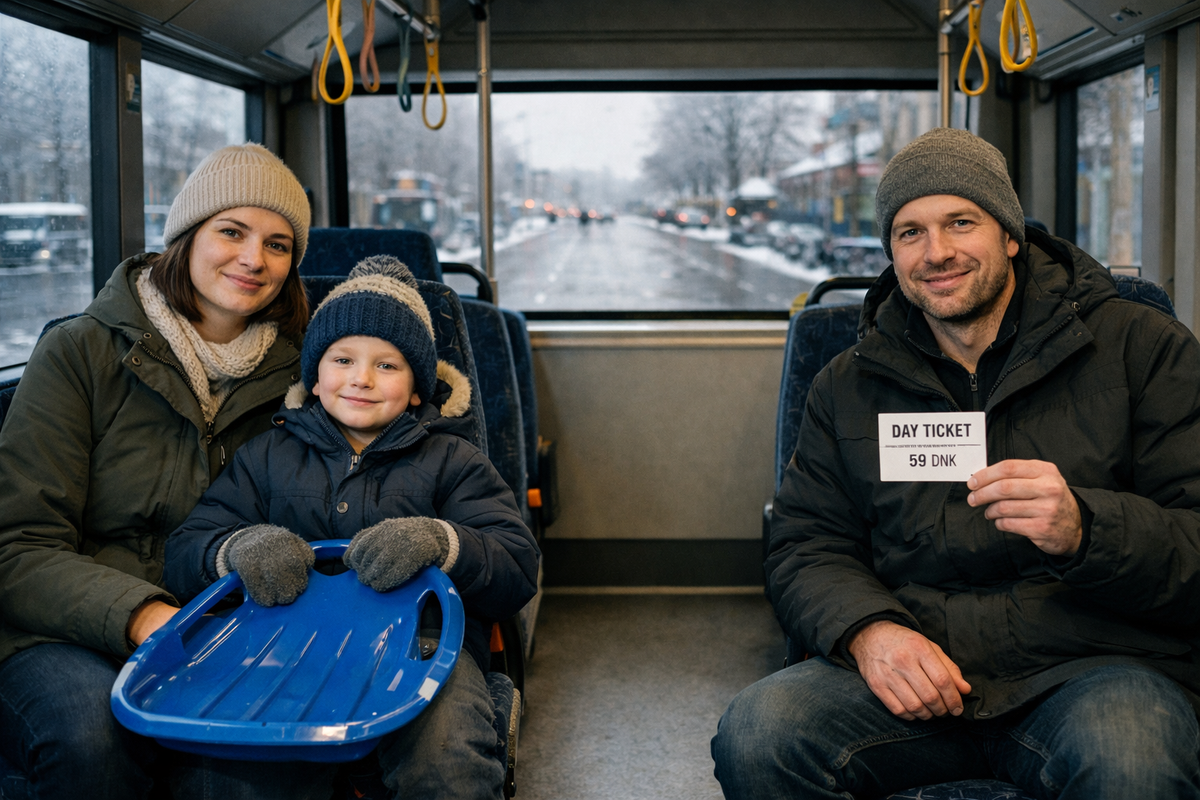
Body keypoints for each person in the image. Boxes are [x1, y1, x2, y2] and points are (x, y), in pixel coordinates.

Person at [711, 128, 1200, 799]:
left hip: (1091, 667)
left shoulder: (1142, 348)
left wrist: (1086, 529)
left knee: (1132, 760)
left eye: (959, 223)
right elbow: (806, 544)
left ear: (1009, 235)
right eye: (910, 233)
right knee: (759, 734)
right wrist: (868, 632)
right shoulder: (848, 384)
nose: (936, 253)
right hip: (916, 667)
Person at [0, 142, 338, 799]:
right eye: (231, 232)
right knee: (93, 734)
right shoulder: (79, 351)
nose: (252, 259)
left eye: (277, 244)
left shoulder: (307, 375)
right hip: (62, 629)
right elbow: (17, 547)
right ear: (185, 236)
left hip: (225, 621)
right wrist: (145, 616)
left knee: (248, 768)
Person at [164, 255, 540, 800]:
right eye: (342, 359)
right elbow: (187, 549)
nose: (361, 379)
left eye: (387, 366)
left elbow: (515, 564)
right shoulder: (267, 456)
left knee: (447, 762)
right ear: (314, 378)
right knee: (226, 771)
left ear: (417, 390)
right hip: (284, 648)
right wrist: (239, 547)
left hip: (424, 650)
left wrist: (442, 541)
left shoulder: (453, 461)